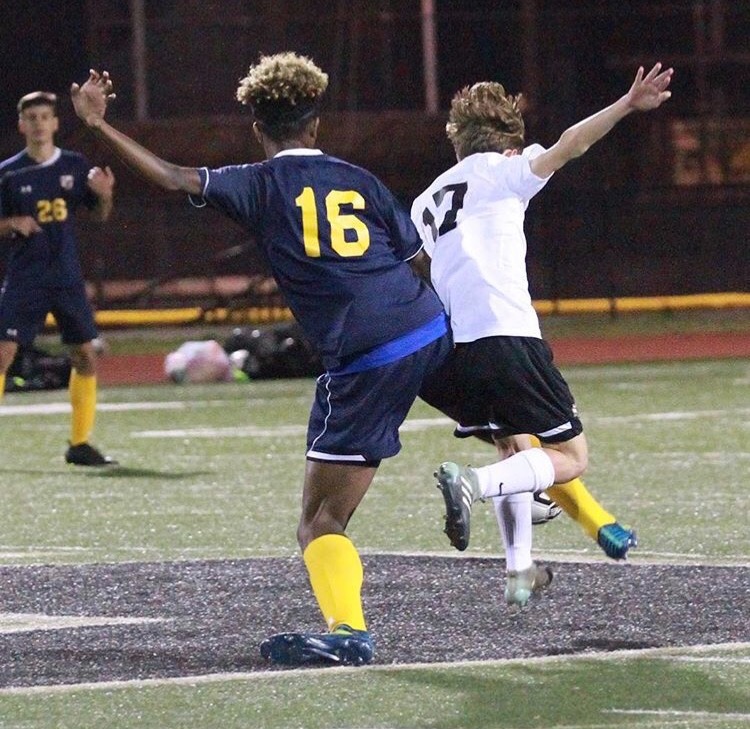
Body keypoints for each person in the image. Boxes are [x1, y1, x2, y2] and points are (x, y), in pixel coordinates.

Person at [70, 55, 452, 667]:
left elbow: (170, 177)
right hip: (428, 325)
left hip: (362, 355)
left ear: (256, 126)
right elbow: (418, 261)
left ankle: (349, 632)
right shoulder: (360, 178)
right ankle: (516, 462)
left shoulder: (258, 182)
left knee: (320, 523)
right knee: (462, 403)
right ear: (316, 125)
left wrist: (96, 125)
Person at [413, 63, 673, 604]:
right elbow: (571, 144)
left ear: (456, 140)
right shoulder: (508, 169)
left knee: (516, 447)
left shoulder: (426, 201)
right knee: (571, 457)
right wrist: (627, 104)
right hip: (507, 335)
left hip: (454, 350)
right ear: (511, 143)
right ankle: (472, 484)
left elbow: (419, 268)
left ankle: (519, 572)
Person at [0, 91, 117, 466]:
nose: (37, 124)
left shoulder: (74, 165)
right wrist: (9, 223)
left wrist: (105, 195)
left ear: (55, 123)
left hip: (66, 277)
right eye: (30, 117)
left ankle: (80, 443)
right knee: (2, 355)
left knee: (84, 356)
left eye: (44, 117)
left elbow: (99, 216)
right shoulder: (9, 173)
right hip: (24, 278)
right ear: (21, 125)